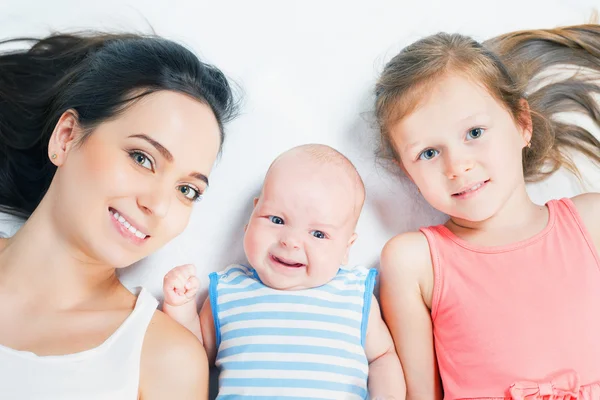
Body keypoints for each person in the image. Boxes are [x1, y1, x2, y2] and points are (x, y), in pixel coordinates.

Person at [0, 31, 237, 399]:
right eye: (143, 158)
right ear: (66, 138)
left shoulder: (164, 360)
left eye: (187, 190)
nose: (158, 205)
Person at [374, 24, 600, 399]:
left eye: (475, 133)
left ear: (522, 124)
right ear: (406, 170)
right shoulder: (415, 261)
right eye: (429, 153)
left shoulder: (591, 221)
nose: (457, 165)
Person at [162, 144, 406, 399]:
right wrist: (180, 307)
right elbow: (194, 358)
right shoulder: (229, 290)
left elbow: (382, 357)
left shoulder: (353, 294)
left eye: (318, 234)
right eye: (277, 220)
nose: (291, 241)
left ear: (347, 247)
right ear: (253, 213)